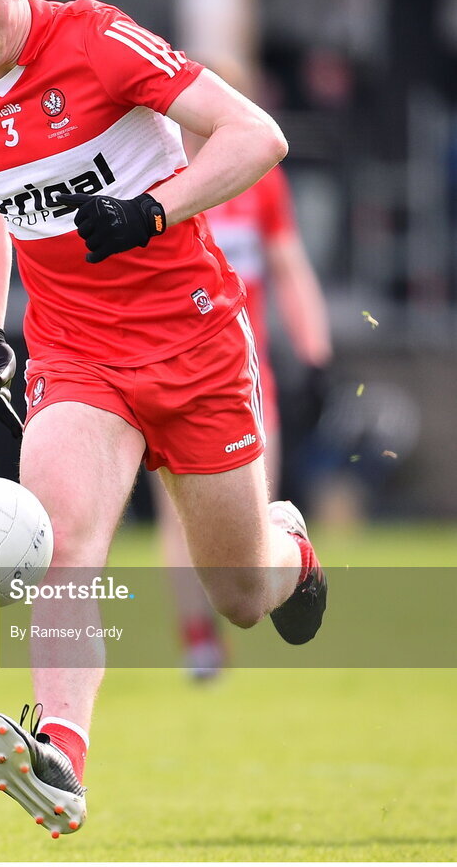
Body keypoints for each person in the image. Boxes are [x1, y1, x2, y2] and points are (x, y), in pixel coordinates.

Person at [0, 0, 328, 835]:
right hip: (75, 350)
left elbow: (258, 135)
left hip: (196, 338)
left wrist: (153, 207)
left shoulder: (96, 38)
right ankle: (62, 757)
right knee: (63, 543)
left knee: (243, 596)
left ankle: (287, 553)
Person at [155, 159, 333, 679]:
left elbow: (289, 265)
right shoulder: (144, 164)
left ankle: (283, 549)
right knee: (177, 516)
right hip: (161, 369)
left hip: (240, 373)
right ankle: (199, 642)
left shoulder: (258, 176)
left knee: (248, 516)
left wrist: (314, 350)